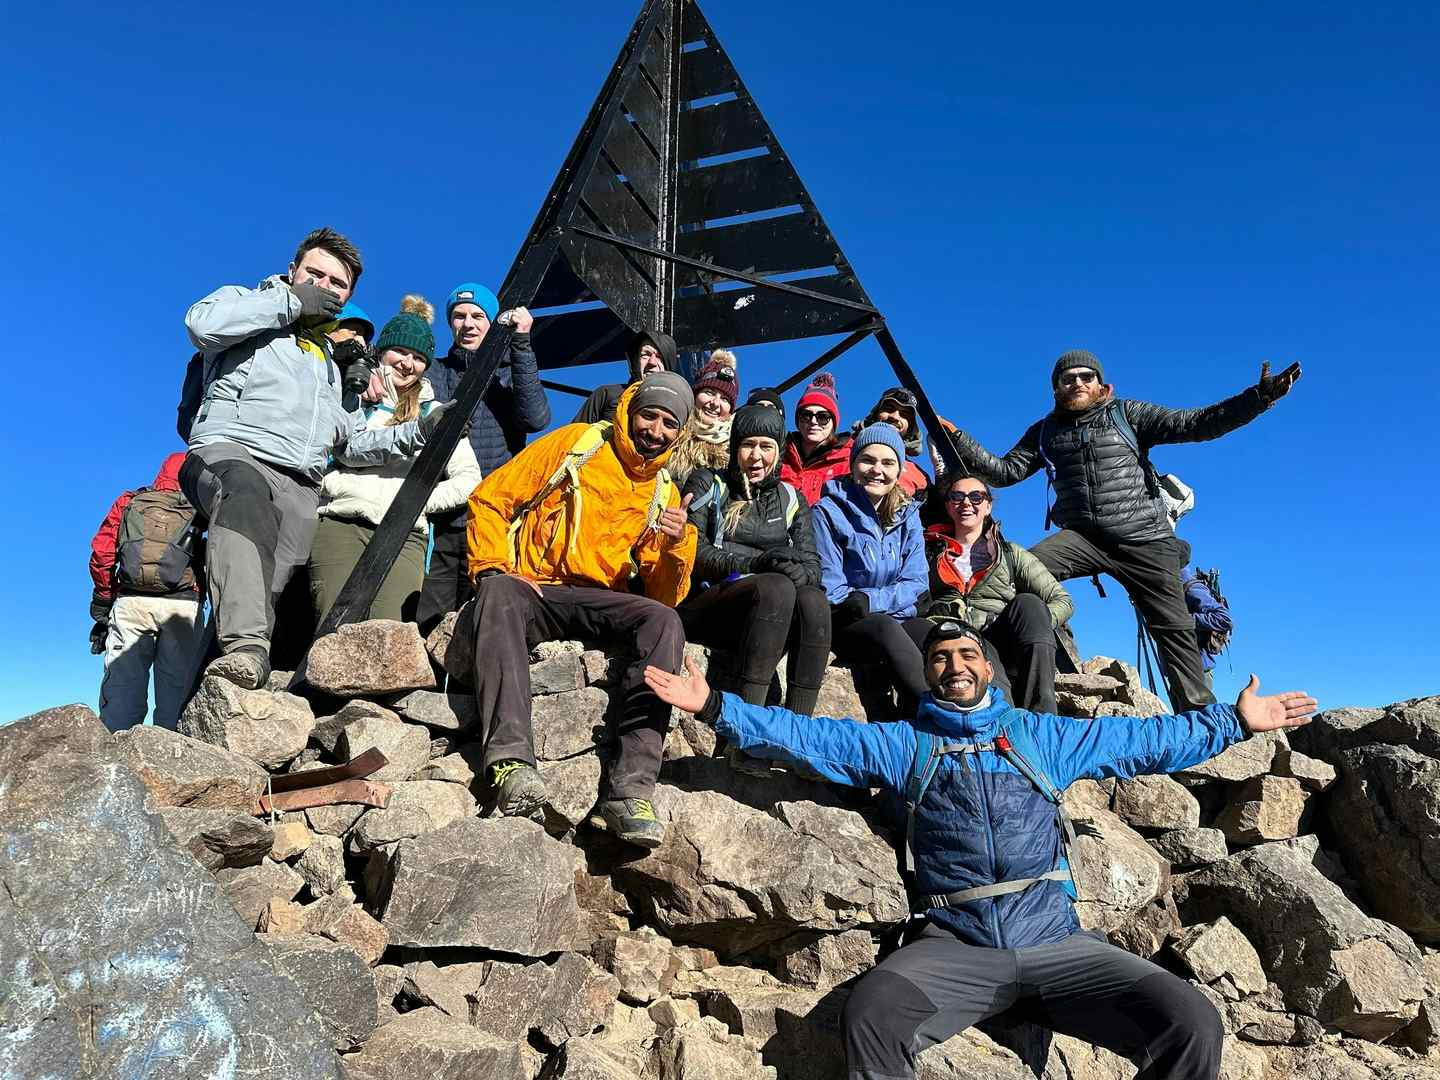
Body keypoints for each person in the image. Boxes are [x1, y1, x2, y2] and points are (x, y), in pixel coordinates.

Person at [644, 620, 1318, 1080]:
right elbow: (809, 739)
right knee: (874, 1011)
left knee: (1193, 1021)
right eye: (940, 658)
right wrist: (715, 707)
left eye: (967, 655)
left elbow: (1144, 742)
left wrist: (1232, 721)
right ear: (929, 674)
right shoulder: (905, 743)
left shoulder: (1040, 736)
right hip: (956, 947)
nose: (954, 665)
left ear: (989, 669)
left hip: (1057, 944)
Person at [942, 349, 1301, 711]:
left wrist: (1257, 399)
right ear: (1055, 390)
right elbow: (1005, 472)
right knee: (1018, 574)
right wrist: (958, 438)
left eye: (1086, 377)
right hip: (1083, 538)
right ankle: (1028, 674)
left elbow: (1196, 423)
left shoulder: (1127, 414)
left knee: (1173, 629)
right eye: (1068, 379)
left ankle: (1199, 718)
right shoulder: (1045, 432)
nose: (1077, 383)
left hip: (1145, 536)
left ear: (1103, 385)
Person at [182, 227, 451, 689]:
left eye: (336, 284)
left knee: (268, 584)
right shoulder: (250, 303)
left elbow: (349, 442)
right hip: (235, 452)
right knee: (243, 501)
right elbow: (202, 325)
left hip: (302, 483)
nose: (323, 287)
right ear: (293, 270)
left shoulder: (328, 363)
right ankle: (245, 651)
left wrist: (418, 431)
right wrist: (289, 303)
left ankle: (230, 687)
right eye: (315, 274)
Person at [466, 374, 699, 847]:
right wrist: (493, 569)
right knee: (498, 593)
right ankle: (509, 764)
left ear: (681, 432)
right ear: (630, 411)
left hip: (599, 598)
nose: (655, 430)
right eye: (648, 415)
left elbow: (662, 595)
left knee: (663, 621)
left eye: (669, 423)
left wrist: (677, 546)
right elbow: (492, 498)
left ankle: (630, 792)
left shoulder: (665, 491)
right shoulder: (579, 443)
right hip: (538, 585)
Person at [308, 297, 482, 624]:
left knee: (388, 636)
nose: (407, 363)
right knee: (332, 627)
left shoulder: (436, 412)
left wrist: (417, 500)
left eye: (418, 357)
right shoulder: (354, 392)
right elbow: (340, 448)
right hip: (342, 520)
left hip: (405, 535)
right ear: (383, 350)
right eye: (401, 351)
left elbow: (469, 479)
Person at [679, 402, 829, 715]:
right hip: (709, 603)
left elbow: (813, 565)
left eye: (766, 446)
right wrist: (756, 565)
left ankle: (798, 732)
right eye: (748, 445)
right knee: (776, 586)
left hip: (771, 614)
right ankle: (747, 730)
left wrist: (800, 575)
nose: (756, 456)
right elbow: (694, 552)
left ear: (778, 452)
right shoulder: (709, 483)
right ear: (735, 448)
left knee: (813, 601)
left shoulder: (790, 498)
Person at [418, 282, 551, 635]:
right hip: (442, 518)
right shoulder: (435, 371)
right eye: (459, 316)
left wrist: (520, 345)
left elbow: (536, 418)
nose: (468, 324)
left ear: (491, 323)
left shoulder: (508, 375)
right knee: (428, 618)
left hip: (494, 519)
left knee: (483, 621)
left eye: (478, 316)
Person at [919, 473, 1072, 712]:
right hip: (957, 641)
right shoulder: (928, 553)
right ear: (948, 506)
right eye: (957, 497)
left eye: (976, 497)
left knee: (1030, 604)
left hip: (1004, 638)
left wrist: (1035, 624)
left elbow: (1061, 600)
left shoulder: (1011, 553)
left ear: (988, 506)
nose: (966, 503)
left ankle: (1043, 717)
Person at [813, 424, 931, 719]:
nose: (877, 470)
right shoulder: (827, 512)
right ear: (853, 464)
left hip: (892, 615)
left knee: (937, 636)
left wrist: (873, 600)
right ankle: (935, 720)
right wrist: (870, 604)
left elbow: (916, 582)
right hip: (845, 622)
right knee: (885, 628)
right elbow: (833, 590)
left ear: (899, 469)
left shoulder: (908, 516)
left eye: (888, 462)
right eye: (868, 460)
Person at [88, 452, 203, 730]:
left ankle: (118, 762)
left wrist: (103, 602)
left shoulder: (130, 502)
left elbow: (102, 553)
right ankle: (176, 764)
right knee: (177, 696)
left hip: (132, 603)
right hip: (184, 606)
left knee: (121, 693)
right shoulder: (202, 507)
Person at [666, 350, 740, 487]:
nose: (715, 403)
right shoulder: (670, 436)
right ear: (694, 396)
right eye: (709, 392)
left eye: (724, 399)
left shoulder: (737, 450)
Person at [573, 329, 679, 424]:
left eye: (659, 357)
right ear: (635, 361)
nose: (652, 362)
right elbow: (572, 437)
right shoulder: (606, 394)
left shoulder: (678, 407)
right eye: (645, 354)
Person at [780, 372, 852, 505]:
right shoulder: (779, 454)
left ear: (833, 423)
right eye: (806, 415)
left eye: (822, 417)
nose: (813, 421)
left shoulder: (849, 462)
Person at [1176, 542, 1233, 692]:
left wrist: (1185, 619)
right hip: (1185, 665)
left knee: (1197, 714)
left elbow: (1224, 619)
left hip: (1198, 669)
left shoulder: (1192, 588)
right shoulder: (1176, 585)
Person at [860, 386, 930, 499]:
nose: (895, 417)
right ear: (875, 413)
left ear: (911, 428)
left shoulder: (919, 477)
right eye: (889, 409)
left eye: (904, 414)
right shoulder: (840, 447)